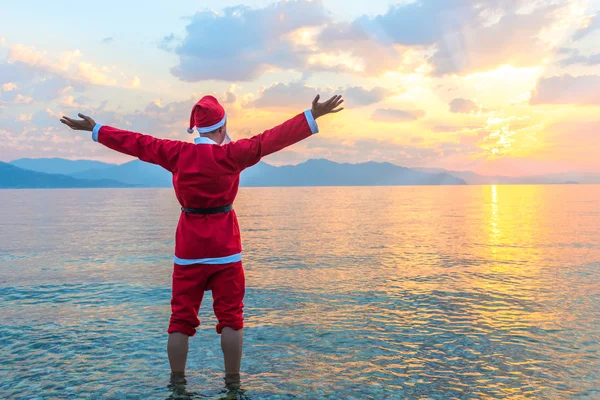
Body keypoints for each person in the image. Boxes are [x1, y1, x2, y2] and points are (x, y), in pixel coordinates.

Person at [59, 94, 344, 394]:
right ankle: (233, 386)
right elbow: (270, 140)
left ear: (197, 128)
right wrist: (310, 116)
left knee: (180, 320)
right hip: (225, 250)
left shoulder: (176, 153)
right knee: (231, 318)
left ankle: (177, 386)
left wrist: (96, 129)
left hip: (189, 251)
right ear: (222, 128)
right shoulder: (233, 154)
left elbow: (138, 143)